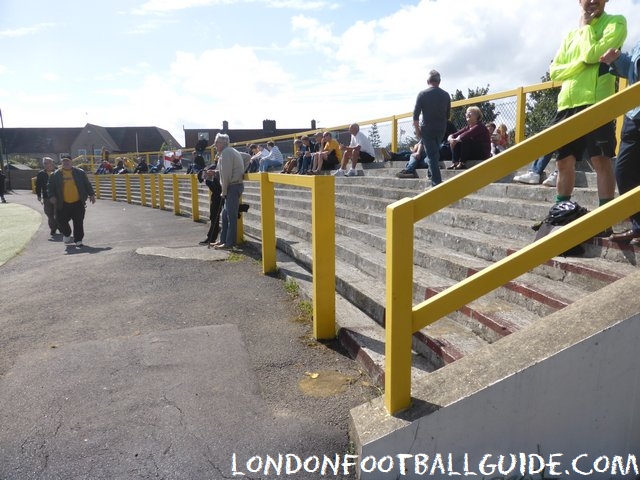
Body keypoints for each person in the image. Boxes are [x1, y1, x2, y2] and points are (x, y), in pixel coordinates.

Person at [547, 0, 626, 233]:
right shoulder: (571, 34)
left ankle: (605, 219)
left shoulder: (616, 22)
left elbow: (594, 55)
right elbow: (555, 70)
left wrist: (586, 29)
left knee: (600, 159)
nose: (592, 1)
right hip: (566, 104)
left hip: (596, 101)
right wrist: (582, 61)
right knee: (563, 162)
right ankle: (560, 215)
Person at [601, 41, 640, 244]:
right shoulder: (638, 44)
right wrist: (617, 59)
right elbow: (631, 72)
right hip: (634, 117)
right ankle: (639, 225)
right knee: (624, 173)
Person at [412, 69, 451, 187]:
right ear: (439, 81)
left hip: (427, 128)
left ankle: (436, 183)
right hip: (441, 128)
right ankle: (431, 174)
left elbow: (416, 115)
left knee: (432, 155)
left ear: (428, 80)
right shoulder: (446, 95)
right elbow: (448, 115)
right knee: (434, 153)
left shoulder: (422, 94)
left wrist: (418, 130)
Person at [47, 154, 96, 247]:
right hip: (62, 203)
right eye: (64, 161)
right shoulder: (55, 174)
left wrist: (92, 194)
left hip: (78, 202)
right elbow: (50, 187)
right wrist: (51, 196)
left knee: (78, 222)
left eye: (67, 161)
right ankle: (67, 233)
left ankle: (78, 240)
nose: (65, 163)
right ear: (61, 163)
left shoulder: (80, 172)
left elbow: (87, 184)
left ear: (71, 162)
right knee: (60, 220)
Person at [211, 133, 244, 249]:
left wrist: (223, 192)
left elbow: (226, 175)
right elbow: (247, 157)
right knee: (225, 216)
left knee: (230, 216)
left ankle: (229, 243)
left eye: (217, 143)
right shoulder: (230, 151)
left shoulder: (226, 153)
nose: (215, 145)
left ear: (223, 143)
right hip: (233, 186)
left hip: (232, 187)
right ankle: (223, 240)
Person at [198, 166, 223, 245]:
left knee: (214, 218)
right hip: (218, 198)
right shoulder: (212, 178)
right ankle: (211, 237)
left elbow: (217, 191)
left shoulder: (210, 180)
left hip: (217, 199)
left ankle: (211, 238)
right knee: (214, 218)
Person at [35, 156, 58, 235]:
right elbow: (38, 185)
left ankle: (61, 227)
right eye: (45, 163)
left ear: (52, 163)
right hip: (46, 197)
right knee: (49, 213)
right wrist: (38, 195)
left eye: (48, 163)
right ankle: (53, 228)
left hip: (57, 197)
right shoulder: (41, 173)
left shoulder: (58, 172)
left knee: (58, 213)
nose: (46, 165)